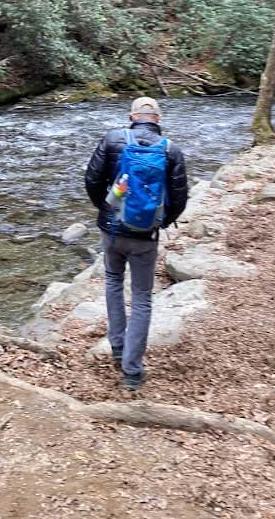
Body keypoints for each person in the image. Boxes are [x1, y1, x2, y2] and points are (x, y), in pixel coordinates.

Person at [85, 97, 188, 390]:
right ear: (158, 118)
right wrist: (159, 223)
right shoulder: (170, 150)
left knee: (113, 282)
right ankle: (132, 371)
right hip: (145, 236)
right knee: (142, 298)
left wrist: (107, 210)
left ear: (132, 116)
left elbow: (91, 181)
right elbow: (180, 198)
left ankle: (117, 347)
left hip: (112, 231)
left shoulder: (112, 139)